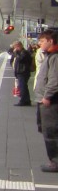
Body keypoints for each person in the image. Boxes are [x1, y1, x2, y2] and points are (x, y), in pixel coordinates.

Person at [34, 30, 58, 173]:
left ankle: (55, 162)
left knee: (51, 131)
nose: (39, 43)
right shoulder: (50, 56)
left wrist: (47, 96)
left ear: (51, 41)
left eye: (42, 40)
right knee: (47, 130)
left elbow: (55, 79)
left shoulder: (55, 57)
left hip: (50, 101)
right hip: (45, 100)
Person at [11, 40, 35, 106]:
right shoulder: (20, 52)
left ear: (20, 46)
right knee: (24, 87)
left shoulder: (24, 52)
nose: (15, 49)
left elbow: (20, 59)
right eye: (15, 47)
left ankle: (23, 101)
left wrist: (16, 53)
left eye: (16, 47)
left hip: (23, 72)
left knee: (22, 87)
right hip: (21, 72)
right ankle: (27, 100)